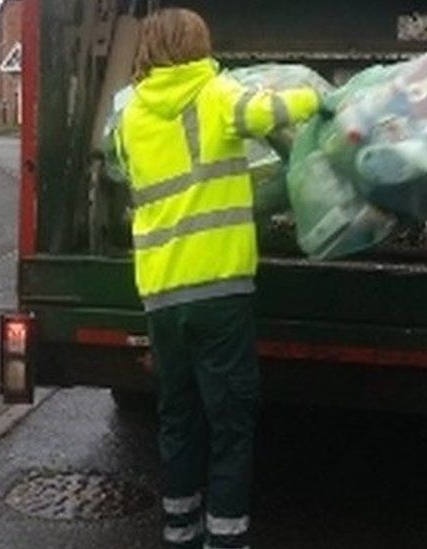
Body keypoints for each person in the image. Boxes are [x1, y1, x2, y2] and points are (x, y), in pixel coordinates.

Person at [113, 8, 319, 549]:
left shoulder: (130, 116)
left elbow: (126, 167)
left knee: (177, 414)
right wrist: (322, 97)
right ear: (197, 45)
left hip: (160, 292)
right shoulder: (216, 93)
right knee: (230, 421)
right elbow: (271, 110)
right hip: (219, 290)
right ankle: (226, 537)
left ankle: (179, 528)